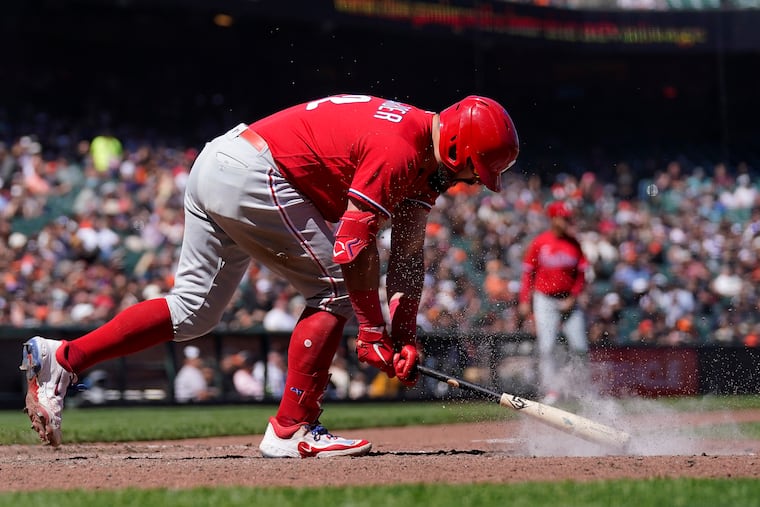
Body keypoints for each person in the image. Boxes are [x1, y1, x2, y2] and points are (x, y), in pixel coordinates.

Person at [19, 93, 519, 457]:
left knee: (192, 313)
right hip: (254, 172)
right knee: (333, 290)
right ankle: (292, 428)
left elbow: (407, 255)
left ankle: (61, 358)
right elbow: (351, 247)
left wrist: (403, 332)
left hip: (224, 163)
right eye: (475, 170)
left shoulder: (421, 157)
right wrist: (371, 330)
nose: (472, 181)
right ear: (457, 151)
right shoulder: (402, 149)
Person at [517, 200, 589, 405]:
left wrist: (573, 297)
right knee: (547, 347)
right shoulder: (540, 242)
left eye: (568, 218)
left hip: (569, 300)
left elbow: (582, 275)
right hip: (545, 299)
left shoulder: (574, 243)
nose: (567, 222)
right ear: (553, 218)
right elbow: (527, 274)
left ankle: (579, 389)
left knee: (580, 348)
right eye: (563, 218)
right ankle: (552, 390)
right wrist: (524, 300)